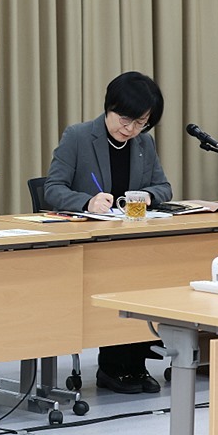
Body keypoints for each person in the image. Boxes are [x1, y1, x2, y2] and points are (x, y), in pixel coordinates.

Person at [44, 71, 172, 394]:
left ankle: (136, 365)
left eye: (140, 123)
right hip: (93, 244)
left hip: (132, 241)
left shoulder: (144, 144)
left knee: (146, 281)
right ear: (109, 107)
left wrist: (149, 196)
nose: (130, 129)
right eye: (125, 119)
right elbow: (53, 188)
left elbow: (163, 187)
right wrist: (87, 201)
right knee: (117, 282)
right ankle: (112, 368)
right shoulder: (78, 136)